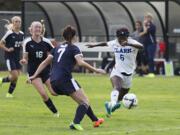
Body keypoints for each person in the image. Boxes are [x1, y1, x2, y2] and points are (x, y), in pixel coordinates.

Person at [29, 25, 105, 131]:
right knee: (85, 102)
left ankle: (95, 120)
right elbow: (80, 62)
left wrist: (34, 75)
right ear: (74, 37)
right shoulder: (74, 48)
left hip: (53, 81)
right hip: (65, 79)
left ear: (63, 36)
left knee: (82, 101)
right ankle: (75, 123)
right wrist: (96, 70)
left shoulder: (56, 48)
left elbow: (45, 62)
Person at [86, 27, 143, 117]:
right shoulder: (115, 42)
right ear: (117, 37)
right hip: (117, 71)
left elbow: (141, 46)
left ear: (127, 37)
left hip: (129, 74)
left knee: (120, 98)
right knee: (117, 87)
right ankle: (112, 103)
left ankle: (109, 106)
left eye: (124, 37)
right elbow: (105, 43)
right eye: (120, 37)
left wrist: (128, 44)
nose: (122, 39)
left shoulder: (132, 42)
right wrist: (94, 45)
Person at [20, 21, 59, 117]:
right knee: (43, 94)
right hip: (33, 72)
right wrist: (24, 60)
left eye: (39, 27)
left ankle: (70, 91)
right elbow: (25, 56)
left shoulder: (46, 41)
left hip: (46, 70)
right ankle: (55, 112)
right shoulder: (27, 42)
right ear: (31, 29)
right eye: (36, 27)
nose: (38, 29)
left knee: (54, 92)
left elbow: (55, 52)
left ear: (42, 29)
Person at [0, 16, 24, 98]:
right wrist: (7, 49)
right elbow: (1, 43)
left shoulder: (22, 34)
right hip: (9, 57)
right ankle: (1, 80)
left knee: (16, 77)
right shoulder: (9, 33)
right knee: (15, 75)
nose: (18, 23)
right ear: (13, 23)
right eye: (16, 21)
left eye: (19, 21)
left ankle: (9, 94)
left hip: (17, 58)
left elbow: (21, 45)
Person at [143, 13, 157, 77]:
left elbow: (146, 31)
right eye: (146, 17)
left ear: (151, 18)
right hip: (145, 44)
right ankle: (146, 71)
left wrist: (144, 25)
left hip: (151, 44)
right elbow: (141, 33)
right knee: (146, 57)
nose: (147, 19)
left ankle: (151, 72)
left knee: (150, 57)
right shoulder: (145, 26)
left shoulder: (152, 26)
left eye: (148, 17)